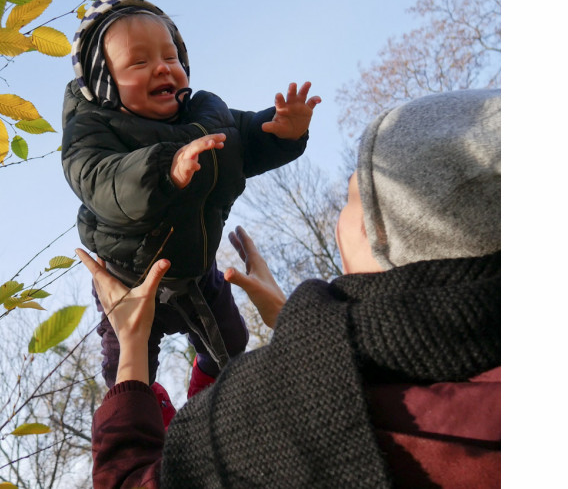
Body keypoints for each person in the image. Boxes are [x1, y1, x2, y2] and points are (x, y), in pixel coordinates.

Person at [79, 88, 501, 487]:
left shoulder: (286, 424)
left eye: (353, 200)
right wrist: (293, 321)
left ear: (385, 237)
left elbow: (131, 479)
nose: (341, 216)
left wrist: (132, 344)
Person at [61, 0, 321, 405]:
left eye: (171, 56)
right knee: (127, 375)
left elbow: (241, 139)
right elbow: (98, 180)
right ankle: (152, 415)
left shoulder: (206, 114)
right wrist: (164, 169)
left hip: (197, 271)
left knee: (233, 343)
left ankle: (206, 392)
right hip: (130, 280)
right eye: (139, 61)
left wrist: (281, 134)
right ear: (105, 81)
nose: (163, 67)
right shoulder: (95, 128)